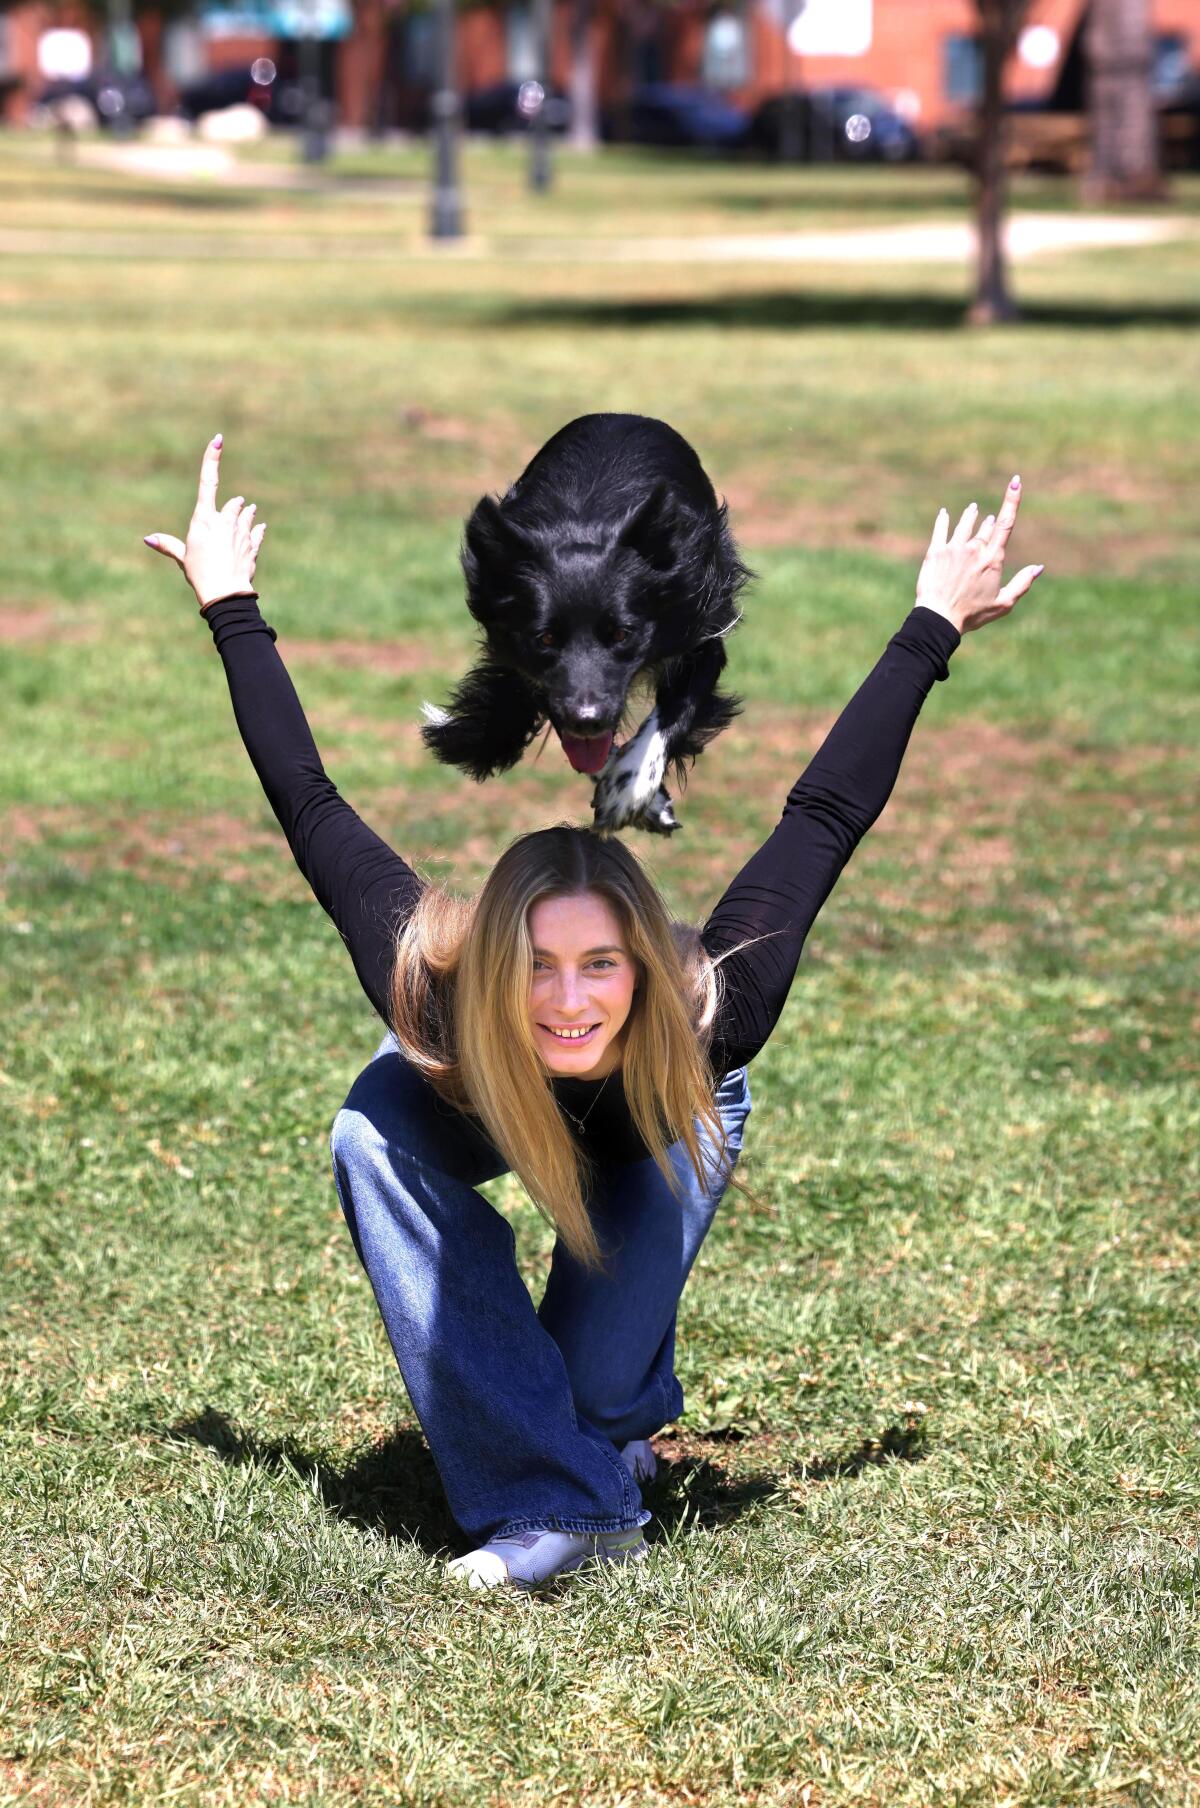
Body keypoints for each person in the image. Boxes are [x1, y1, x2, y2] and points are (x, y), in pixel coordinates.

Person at [145, 437, 1044, 1591]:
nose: (568, 1001)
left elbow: (823, 815)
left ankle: (605, 1413)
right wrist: (231, 605)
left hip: (653, 1109)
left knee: (586, 1397)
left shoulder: (711, 1013)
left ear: (652, 969)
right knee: (369, 1130)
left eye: (603, 966)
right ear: (484, 962)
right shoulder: (435, 989)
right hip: (476, 1090)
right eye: (535, 964)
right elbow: (306, 798)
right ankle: (555, 1501)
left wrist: (932, 623)